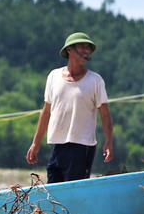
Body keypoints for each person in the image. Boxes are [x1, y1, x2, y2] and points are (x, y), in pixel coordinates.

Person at [26, 32, 114, 183]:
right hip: (58, 145)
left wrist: (109, 141)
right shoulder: (53, 76)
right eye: (82, 47)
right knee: (54, 190)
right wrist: (36, 143)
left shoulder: (95, 81)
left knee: (75, 191)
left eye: (88, 48)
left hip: (82, 146)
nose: (86, 51)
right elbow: (46, 112)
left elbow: (105, 114)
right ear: (69, 49)